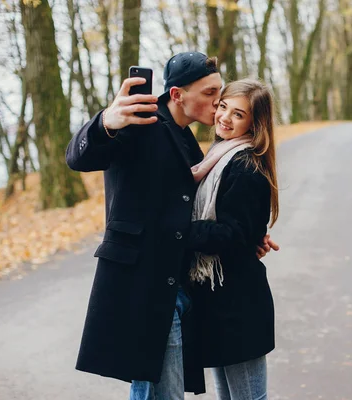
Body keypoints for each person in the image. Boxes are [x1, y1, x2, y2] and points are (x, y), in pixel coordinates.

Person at [65, 52, 278, 399]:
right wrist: (106, 120)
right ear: (178, 95)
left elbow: (203, 208)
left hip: (176, 287)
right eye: (211, 95)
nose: (217, 104)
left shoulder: (192, 143)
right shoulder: (139, 121)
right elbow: (78, 157)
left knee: (162, 389)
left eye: (221, 94)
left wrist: (248, 232)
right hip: (142, 284)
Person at [186, 79, 278, 400]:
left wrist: (178, 232)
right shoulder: (218, 155)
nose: (225, 117)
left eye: (238, 114)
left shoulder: (245, 165)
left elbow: (233, 234)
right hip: (218, 301)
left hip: (238, 307)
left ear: (255, 123)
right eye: (223, 107)